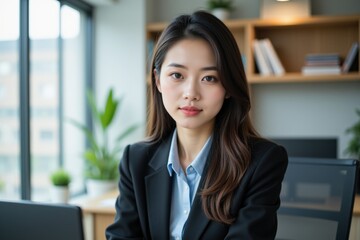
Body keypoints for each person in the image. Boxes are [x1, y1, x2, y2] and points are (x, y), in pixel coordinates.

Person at [106, 10, 288, 240]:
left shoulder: (261, 163)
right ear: (157, 80)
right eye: (177, 75)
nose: (191, 93)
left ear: (229, 87)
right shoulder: (136, 160)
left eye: (209, 78)